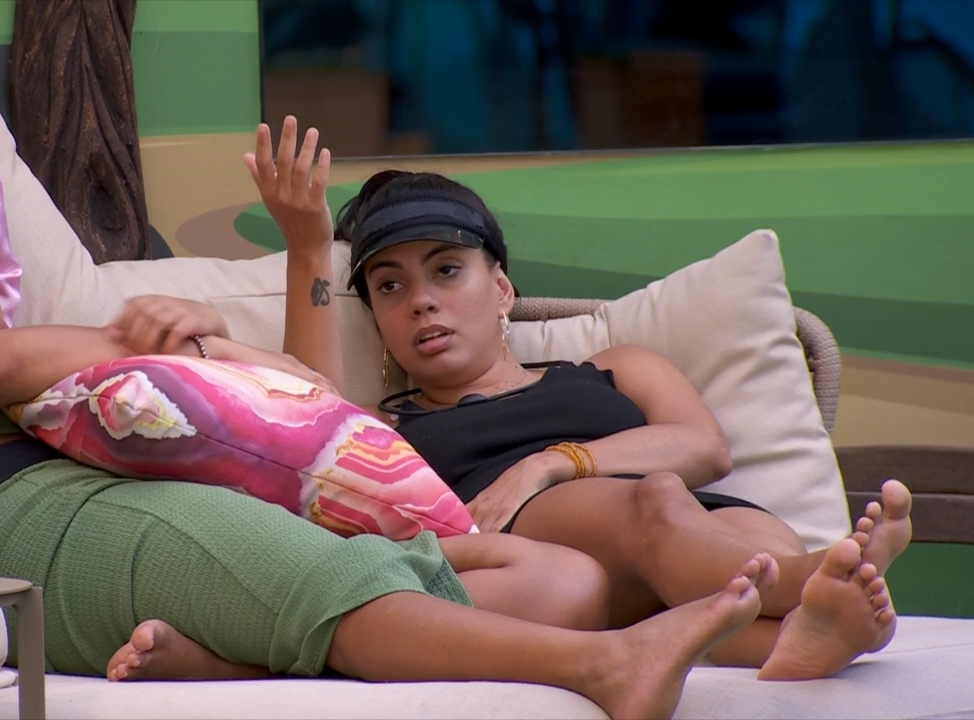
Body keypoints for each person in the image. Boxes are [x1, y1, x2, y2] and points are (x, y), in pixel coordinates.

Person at [0, 121, 782, 720]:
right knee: (299, 561)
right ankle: (604, 668)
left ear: (501, 286)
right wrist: (166, 340)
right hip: (31, 507)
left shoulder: (52, 360)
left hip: (122, 499)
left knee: (563, 581)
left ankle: (231, 656)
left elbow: (301, 406)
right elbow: (17, 363)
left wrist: (225, 330)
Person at [246, 115, 911, 681]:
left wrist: (551, 463)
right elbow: (308, 421)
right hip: (563, 554)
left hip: (699, 531)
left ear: (501, 290)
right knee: (657, 499)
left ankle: (809, 636)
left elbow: (705, 449)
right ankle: (808, 581)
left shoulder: (614, 365)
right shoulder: (390, 430)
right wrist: (308, 249)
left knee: (711, 532)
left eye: (446, 270)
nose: (421, 300)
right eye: (390, 287)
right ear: (381, 325)